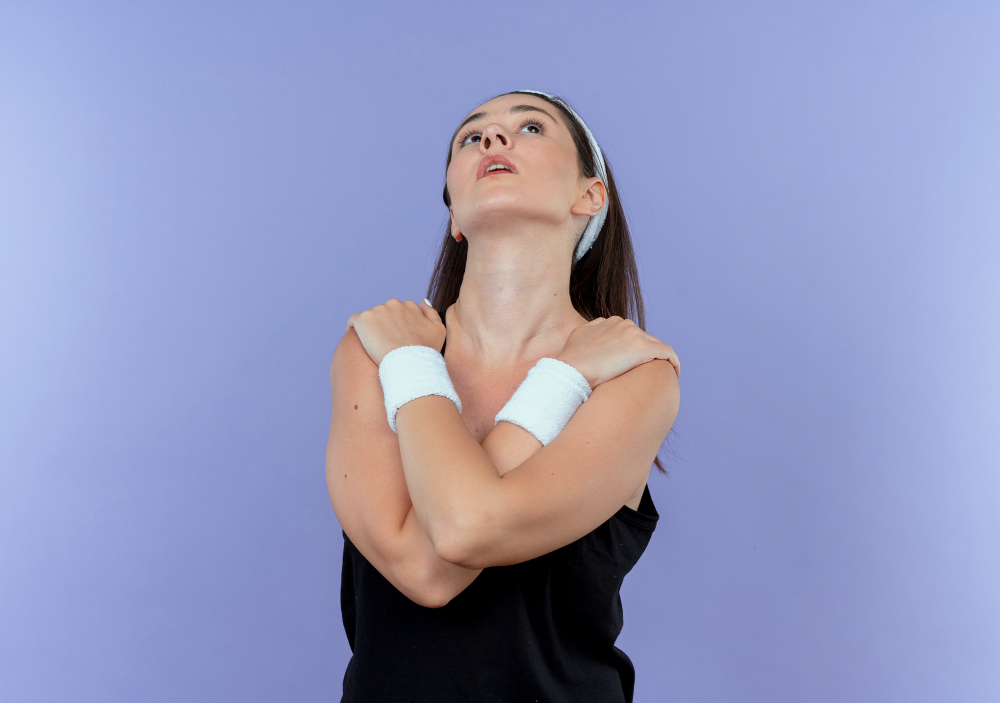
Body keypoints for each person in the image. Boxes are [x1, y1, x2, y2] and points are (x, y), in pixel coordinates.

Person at [326, 89, 681, 702]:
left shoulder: (635, 375)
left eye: (531, 127)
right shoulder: (375, 350)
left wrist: (413, 365)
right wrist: (563, 378)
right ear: (455, 217)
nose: (492, 138)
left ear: (589, 196)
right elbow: (426, 572)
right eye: (471, 137)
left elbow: (464, 531)